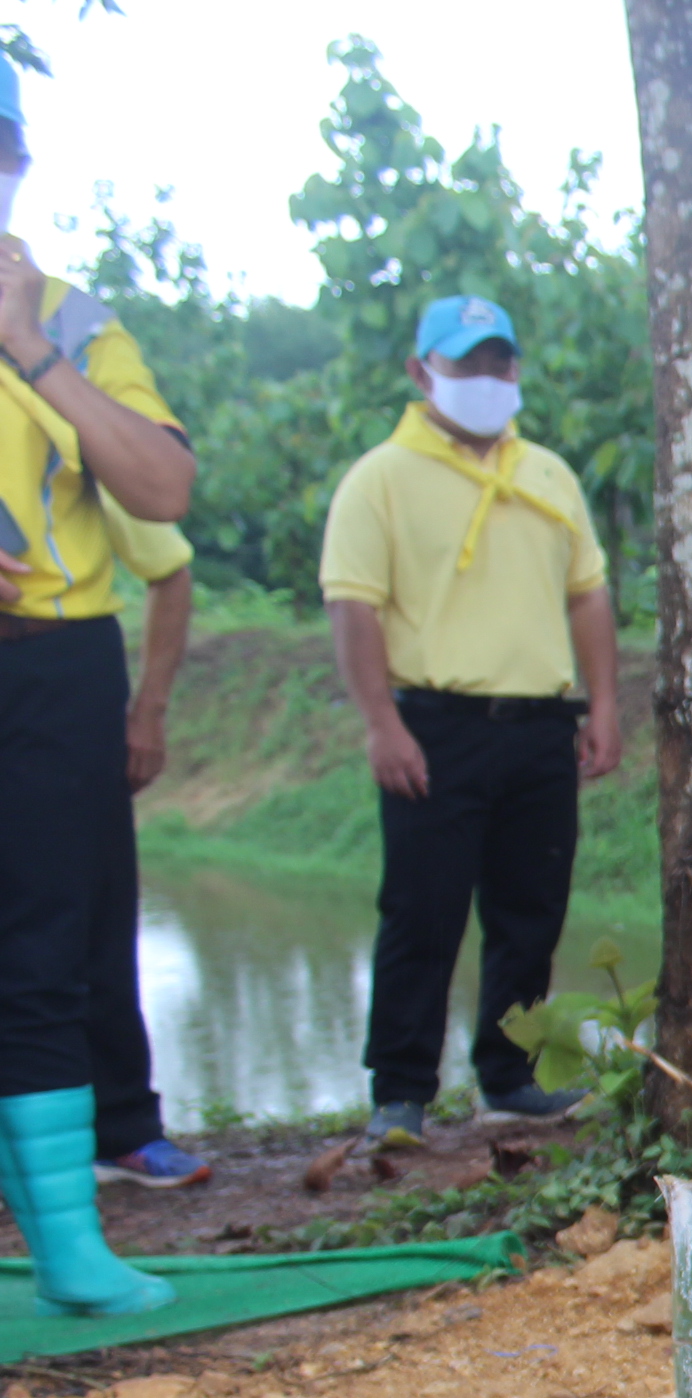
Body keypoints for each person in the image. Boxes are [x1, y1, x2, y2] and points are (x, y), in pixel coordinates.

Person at [321, 294, 619, 1152]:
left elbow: (588, 593)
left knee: (531, 907)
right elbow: (353, 608)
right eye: (466, 364)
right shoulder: (380, 478)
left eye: (500, 362)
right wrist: (381, 722)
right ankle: (401, 1092)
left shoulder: (550, 474)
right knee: (423, 910)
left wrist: (602, 704)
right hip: (435, 725)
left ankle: (511, 1074)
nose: (487, 380)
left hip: (538, 727)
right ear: (423, 373)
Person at [0, 55, 199, 1314]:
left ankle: (68, 1243)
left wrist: (27, 349)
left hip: (53, 676)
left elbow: (163, 491)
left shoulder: (75, 323)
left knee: (42, 957)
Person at [91, 498, 207, 1188]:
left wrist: (150, 708)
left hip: (57, 686)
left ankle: (122, 1129)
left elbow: (169, 567)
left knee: (93, 913)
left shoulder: (61, 419)